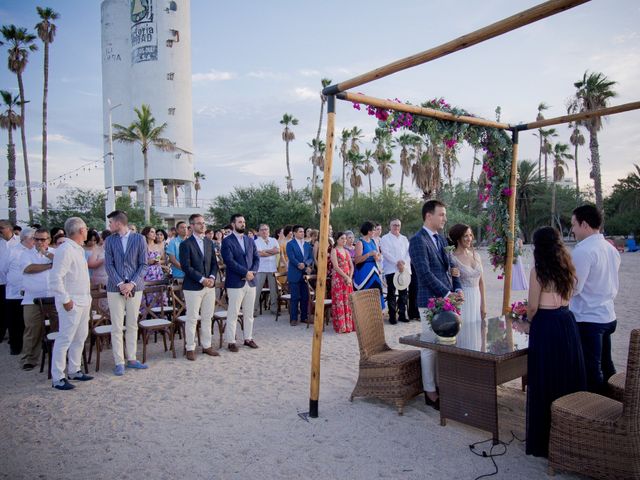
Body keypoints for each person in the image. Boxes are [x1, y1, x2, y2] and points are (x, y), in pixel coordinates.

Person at [525, 226, 586, 457]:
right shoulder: (566, 266)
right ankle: (570, 430)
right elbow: (570, 295)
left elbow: (532, 306)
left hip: (547, 323)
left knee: (545, 377)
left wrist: (528, 321)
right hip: (566, 320)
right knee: (566, 374)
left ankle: (546, 438)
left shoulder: (538, 271)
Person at [409, 200, 463, 410]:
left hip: (448, 299)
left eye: (444, 215)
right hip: (429, 300)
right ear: (428, 216)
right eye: (441, 214)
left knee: (448, 344)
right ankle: (430, 391)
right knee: (430, 345)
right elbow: (424, 274)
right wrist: (448, 293)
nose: (444, 218)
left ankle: (444, 384)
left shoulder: (442, 240)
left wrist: (457, 288)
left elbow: (453, 267)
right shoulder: (417, 241)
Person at [570, 204, 621, 393]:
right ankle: (616, 401)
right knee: (607, 364)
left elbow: (575, 288)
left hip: (589, 318)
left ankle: (599, 410)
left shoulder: (583, 251)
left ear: (584, 224)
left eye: (574, 225)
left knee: (592, 369)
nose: (572, 230)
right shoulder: (610, 248)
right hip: (607, 314)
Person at [49, 217, 94, 390]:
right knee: (65, 338)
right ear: (81, 230)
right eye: (86, 228)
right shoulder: (65, 249)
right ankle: (58, 377)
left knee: (80, 336)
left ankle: (74, 369)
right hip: (71, 301)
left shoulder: (78, 249)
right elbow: (56, 278)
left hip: (84, 300)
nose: (87, 231)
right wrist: (65, 299)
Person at [104, 210, 149, 375]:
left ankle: (132, 358)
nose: (109, 226)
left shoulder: (139, 239)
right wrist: (121, 284)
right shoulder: (109, 240)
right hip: (114, 288)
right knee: (116, 325)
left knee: (132, 324)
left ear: (118, 223)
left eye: (110, 223)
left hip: (135, 288)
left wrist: (131, 284)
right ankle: (119, 361)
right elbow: (109, 265)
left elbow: (143, 265)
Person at [179, 214, 220, 360]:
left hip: (209, 286)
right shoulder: (185, 244)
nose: (202, 225)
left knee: (207, 317)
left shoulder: (209, 242)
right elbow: (186, 266)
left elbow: (214, 263)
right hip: (193, 286)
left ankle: (207, 345)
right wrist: (202, 279)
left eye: (203, 223)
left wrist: (212, 278)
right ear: (191, 226)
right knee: (192, 317)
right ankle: (190, 347)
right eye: (199, 223)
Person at [220, 214, 260, 351]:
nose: (243, 224)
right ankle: (231, 341)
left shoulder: (250, 240)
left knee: (249, 313)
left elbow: (256, 258)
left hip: (251, 282)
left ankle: (248, 338)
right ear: (233, 224)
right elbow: (229, 262)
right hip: (235, 282)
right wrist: (245, 272)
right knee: (233, 313)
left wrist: (252, 272)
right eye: (239, 222)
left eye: (244, 222)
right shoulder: (227, 241)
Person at [20, 228, 55, 370]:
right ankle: (29, 358)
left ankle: (57, 355)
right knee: (32, 329)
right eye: (37, 239)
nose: (39, 242)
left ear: (49, 240)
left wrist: (46, 253)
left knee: (57, 327)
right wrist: (48, 266)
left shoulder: (54, 252)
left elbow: (60, 262)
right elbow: (29, 268)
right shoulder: (25, 253)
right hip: (32, 297)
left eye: (43, 239)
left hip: (53, 295)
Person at [448, 224, 486, 350]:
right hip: (463, 300)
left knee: (477, 333)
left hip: (477, 298)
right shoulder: (452, 258)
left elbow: (481, 282)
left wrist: (483, 304)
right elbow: (450, 281)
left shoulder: (477, 255)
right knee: (463, 333)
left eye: (470, 235)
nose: (469, 238)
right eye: (466, 236)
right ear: (458, 238)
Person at [4, 228, 35, 355]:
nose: (35, 241)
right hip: (15, 292)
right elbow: (4, 269)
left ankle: (29, 347)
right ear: (25, 239)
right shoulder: (12, 251)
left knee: (28, 321)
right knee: (15, 321)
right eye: (34, 238)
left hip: (30, 292)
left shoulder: (34, 252)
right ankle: (15, 346)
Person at [380, 219, 411, 324]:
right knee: (391, 293)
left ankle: (402, 314)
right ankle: (392, 316)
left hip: (404, 270)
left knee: (403, 293)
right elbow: (386, 253)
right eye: (394, 225)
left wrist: (404, 264)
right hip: (391, 269)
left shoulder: (404, 238)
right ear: (390, 226)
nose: (396, 227)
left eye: (398, 225)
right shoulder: (385, 238)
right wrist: (397, 263)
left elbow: (408, 253)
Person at [286, 225, 314, 326]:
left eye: (303, 231)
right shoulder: (290, 244)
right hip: (294, 274)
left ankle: (304, 317)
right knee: (294, 297)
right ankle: (293, 318)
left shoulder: (307, 245)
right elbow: (291, 257)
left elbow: (311, 258)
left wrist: (307, 265)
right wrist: (299, 264)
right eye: (300, 231)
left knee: (305, 297)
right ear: (294, 233)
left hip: (305, 274)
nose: (302, 233)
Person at [353, 221, 385, 308]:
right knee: (365, 295)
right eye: (373, 230)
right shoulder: (360, 243)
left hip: (374, 271)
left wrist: (376, 257)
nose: (375, 232)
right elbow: (357, 260)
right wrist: (368, 254)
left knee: (376, 292)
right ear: (369, 231)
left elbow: (378, 257)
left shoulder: (373, 242)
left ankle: (376, 314)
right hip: (364, 272)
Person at [330, 231, 354, 333]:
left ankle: (349, 325)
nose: (344, 240)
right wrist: (345, 277)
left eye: (345, 238)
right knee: (340, 301)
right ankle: (341, 326)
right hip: (338, 279)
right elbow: (336, 266)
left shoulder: (347, 251)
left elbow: (351, 266)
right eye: (342, 239)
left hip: (347, 279)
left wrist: (350, 277)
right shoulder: (334, 250)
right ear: (337, 240)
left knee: (348, 301)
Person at [253, 224, 279, 316]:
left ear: (269, 231)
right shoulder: (256, 242)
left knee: (274, 290)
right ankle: (254, 310)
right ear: (259, 232)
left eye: (266, 229)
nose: (264, 231)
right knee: (257, 290)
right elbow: (259, 254)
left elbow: (277, 251)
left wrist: (265, 251)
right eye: (262, 230)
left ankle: (274, 309)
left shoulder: (274, 240)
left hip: (272, 268)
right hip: (261, 268)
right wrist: (271, 251)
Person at [0, 219, 19, 343]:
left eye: (1, 228)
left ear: (9, 229)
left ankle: (14, 338)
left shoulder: (19, 242)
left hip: (14, 283)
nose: (0, 230)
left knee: (13, 312)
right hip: (0, 281)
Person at [141, 226, 167, 308]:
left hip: (157, 273)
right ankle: (147, 314)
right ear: (146, 233)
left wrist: (159, 261)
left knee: (159, 294)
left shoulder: (159, 246)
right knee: (148, 294)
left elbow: (164, 260)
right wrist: (148, 261)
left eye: (154, 232)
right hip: (147, 273)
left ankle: (160, 315)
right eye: (152, 232)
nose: (155, 234)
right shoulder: (142, 246)